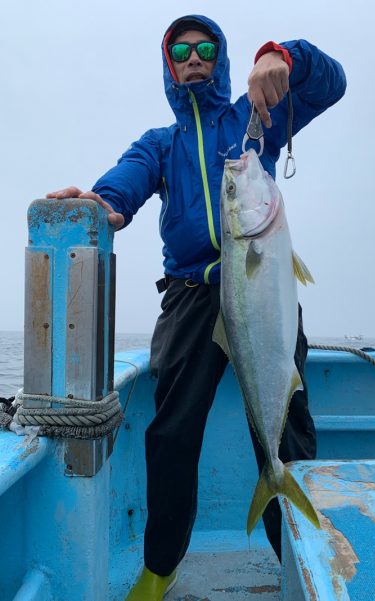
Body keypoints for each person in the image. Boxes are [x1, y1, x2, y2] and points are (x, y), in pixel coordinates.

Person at [47, 14, 346, 600]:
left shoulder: (252, 118)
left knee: (291, 433)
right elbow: (126, 180)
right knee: (171, 434)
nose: (193, 57)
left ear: (222, 56)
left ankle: (297, 561)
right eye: (180, 49)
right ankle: (161, 566)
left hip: (260, 289)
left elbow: (331, 85)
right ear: (169, 63)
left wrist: (283, 55)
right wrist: (100, 199)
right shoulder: (162, 143)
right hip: (188, 297)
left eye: (205, 47)